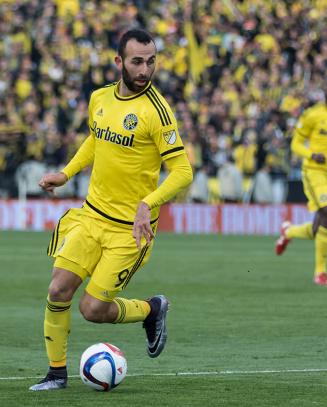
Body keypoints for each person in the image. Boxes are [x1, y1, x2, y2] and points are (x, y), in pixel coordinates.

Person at [29, 29, 193, 391]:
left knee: (92, 310)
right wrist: (66, 173)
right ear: (119, 62)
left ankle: (152, 309)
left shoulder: (158, 112)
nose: (144, 70)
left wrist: (147, 204)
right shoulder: (100, 98)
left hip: (129, 230)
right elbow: (96, 138)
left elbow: (183, 172)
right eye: (137, 62)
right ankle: (56, 374)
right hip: (91, 216)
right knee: (58, 290)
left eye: (151, 62)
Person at [275, 68, 327, 286]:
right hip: (314, 171)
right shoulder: (312, 114)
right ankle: (320, 273)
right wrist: (312, 154)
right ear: (323, 89)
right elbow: (295, 144)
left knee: (318, 227)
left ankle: (289, 231)